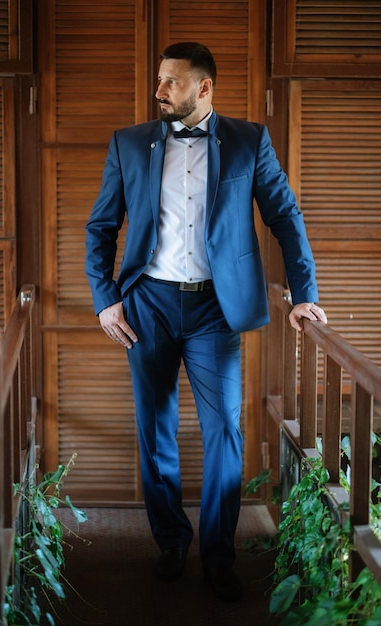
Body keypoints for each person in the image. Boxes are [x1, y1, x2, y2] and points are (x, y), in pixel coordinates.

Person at [85, 41, 327, 602]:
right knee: (156, 429)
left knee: (224, 432)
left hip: (216, 310)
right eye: (160, 80)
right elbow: (101, 228)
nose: (159, 90)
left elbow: (285, 217)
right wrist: (106, 300)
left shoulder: (249, 141)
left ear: (205, 87)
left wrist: (304, 294)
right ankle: (170, 541)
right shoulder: (128, 143)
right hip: (148, 303)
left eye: (172, 81)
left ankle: (219, 554)